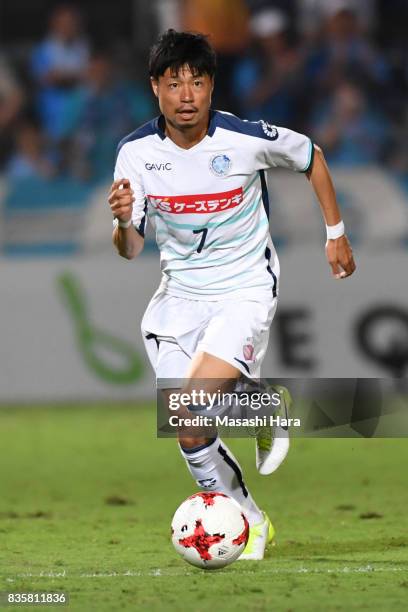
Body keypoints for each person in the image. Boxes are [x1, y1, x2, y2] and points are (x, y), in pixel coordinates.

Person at [108, 30, 355, 561]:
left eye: (197, 82)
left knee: (189, 405)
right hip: (178, 298)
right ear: (156, 88)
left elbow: (312, 156)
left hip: (243, 288)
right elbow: (129, 249)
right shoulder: (135, 154)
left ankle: (257, 420)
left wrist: (335, 234)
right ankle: (250, 514)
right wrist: (124, 220)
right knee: (187, 425)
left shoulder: (244, 138)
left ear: (212, 86)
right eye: (175, 83)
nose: (187, 94)